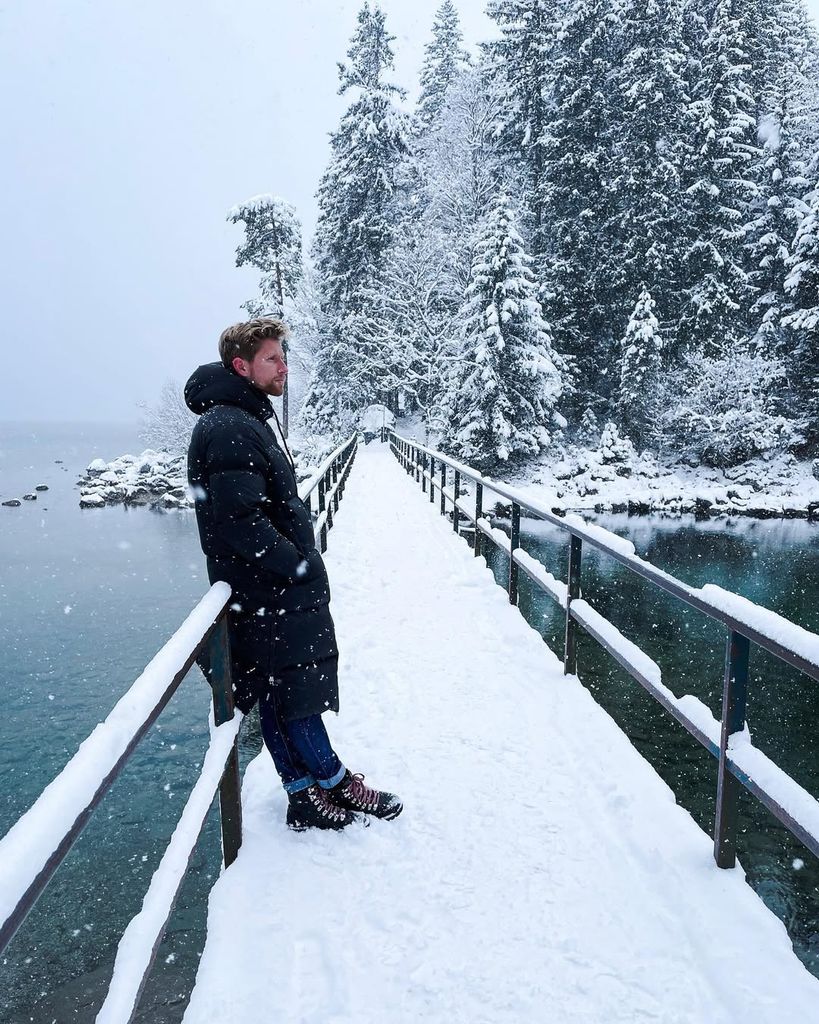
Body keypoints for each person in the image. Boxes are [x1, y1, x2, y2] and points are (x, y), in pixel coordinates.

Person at [184, 317, 402, 831]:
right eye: (272, 359)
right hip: (269, 591)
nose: (284, 367)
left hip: (268, 591)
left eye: (284, 357)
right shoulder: (230, 425)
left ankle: (305, 791)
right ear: (242, 366)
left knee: (285, 695)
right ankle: (331, 782)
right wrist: (297, 564)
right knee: (294, 697)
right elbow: (240, 521)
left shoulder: (242, 416)